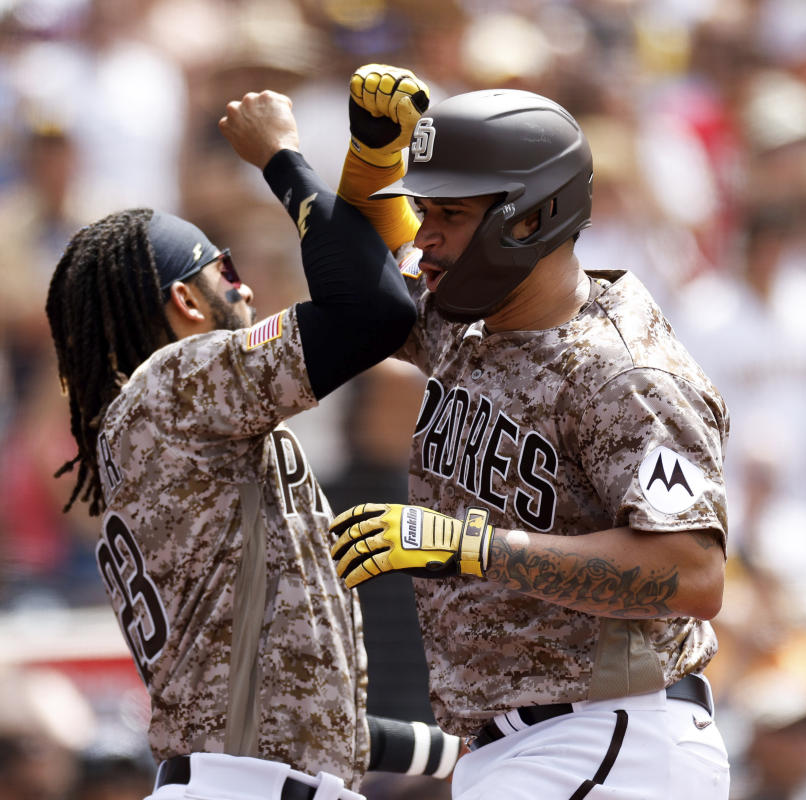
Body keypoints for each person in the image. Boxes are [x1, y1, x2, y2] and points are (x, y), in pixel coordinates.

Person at [329, 65, 732, 798]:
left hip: (613, 735)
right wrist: (371, 158)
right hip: (529, 744)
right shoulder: (473, 318)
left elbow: (694, 574)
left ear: (529, 218)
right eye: (424, 212)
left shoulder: (625, 374)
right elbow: (357, 288)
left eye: (449, 216)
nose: (427, 238)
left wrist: (471, 547)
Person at [46, 90, 459, 800]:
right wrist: (283, 160)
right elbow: (374, 311)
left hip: (241, 779)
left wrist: (465, 752)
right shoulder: (176, 381)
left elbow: (314, 715)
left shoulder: (159, 426)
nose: (246, 291)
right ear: (185, 302)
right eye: (225, 271)